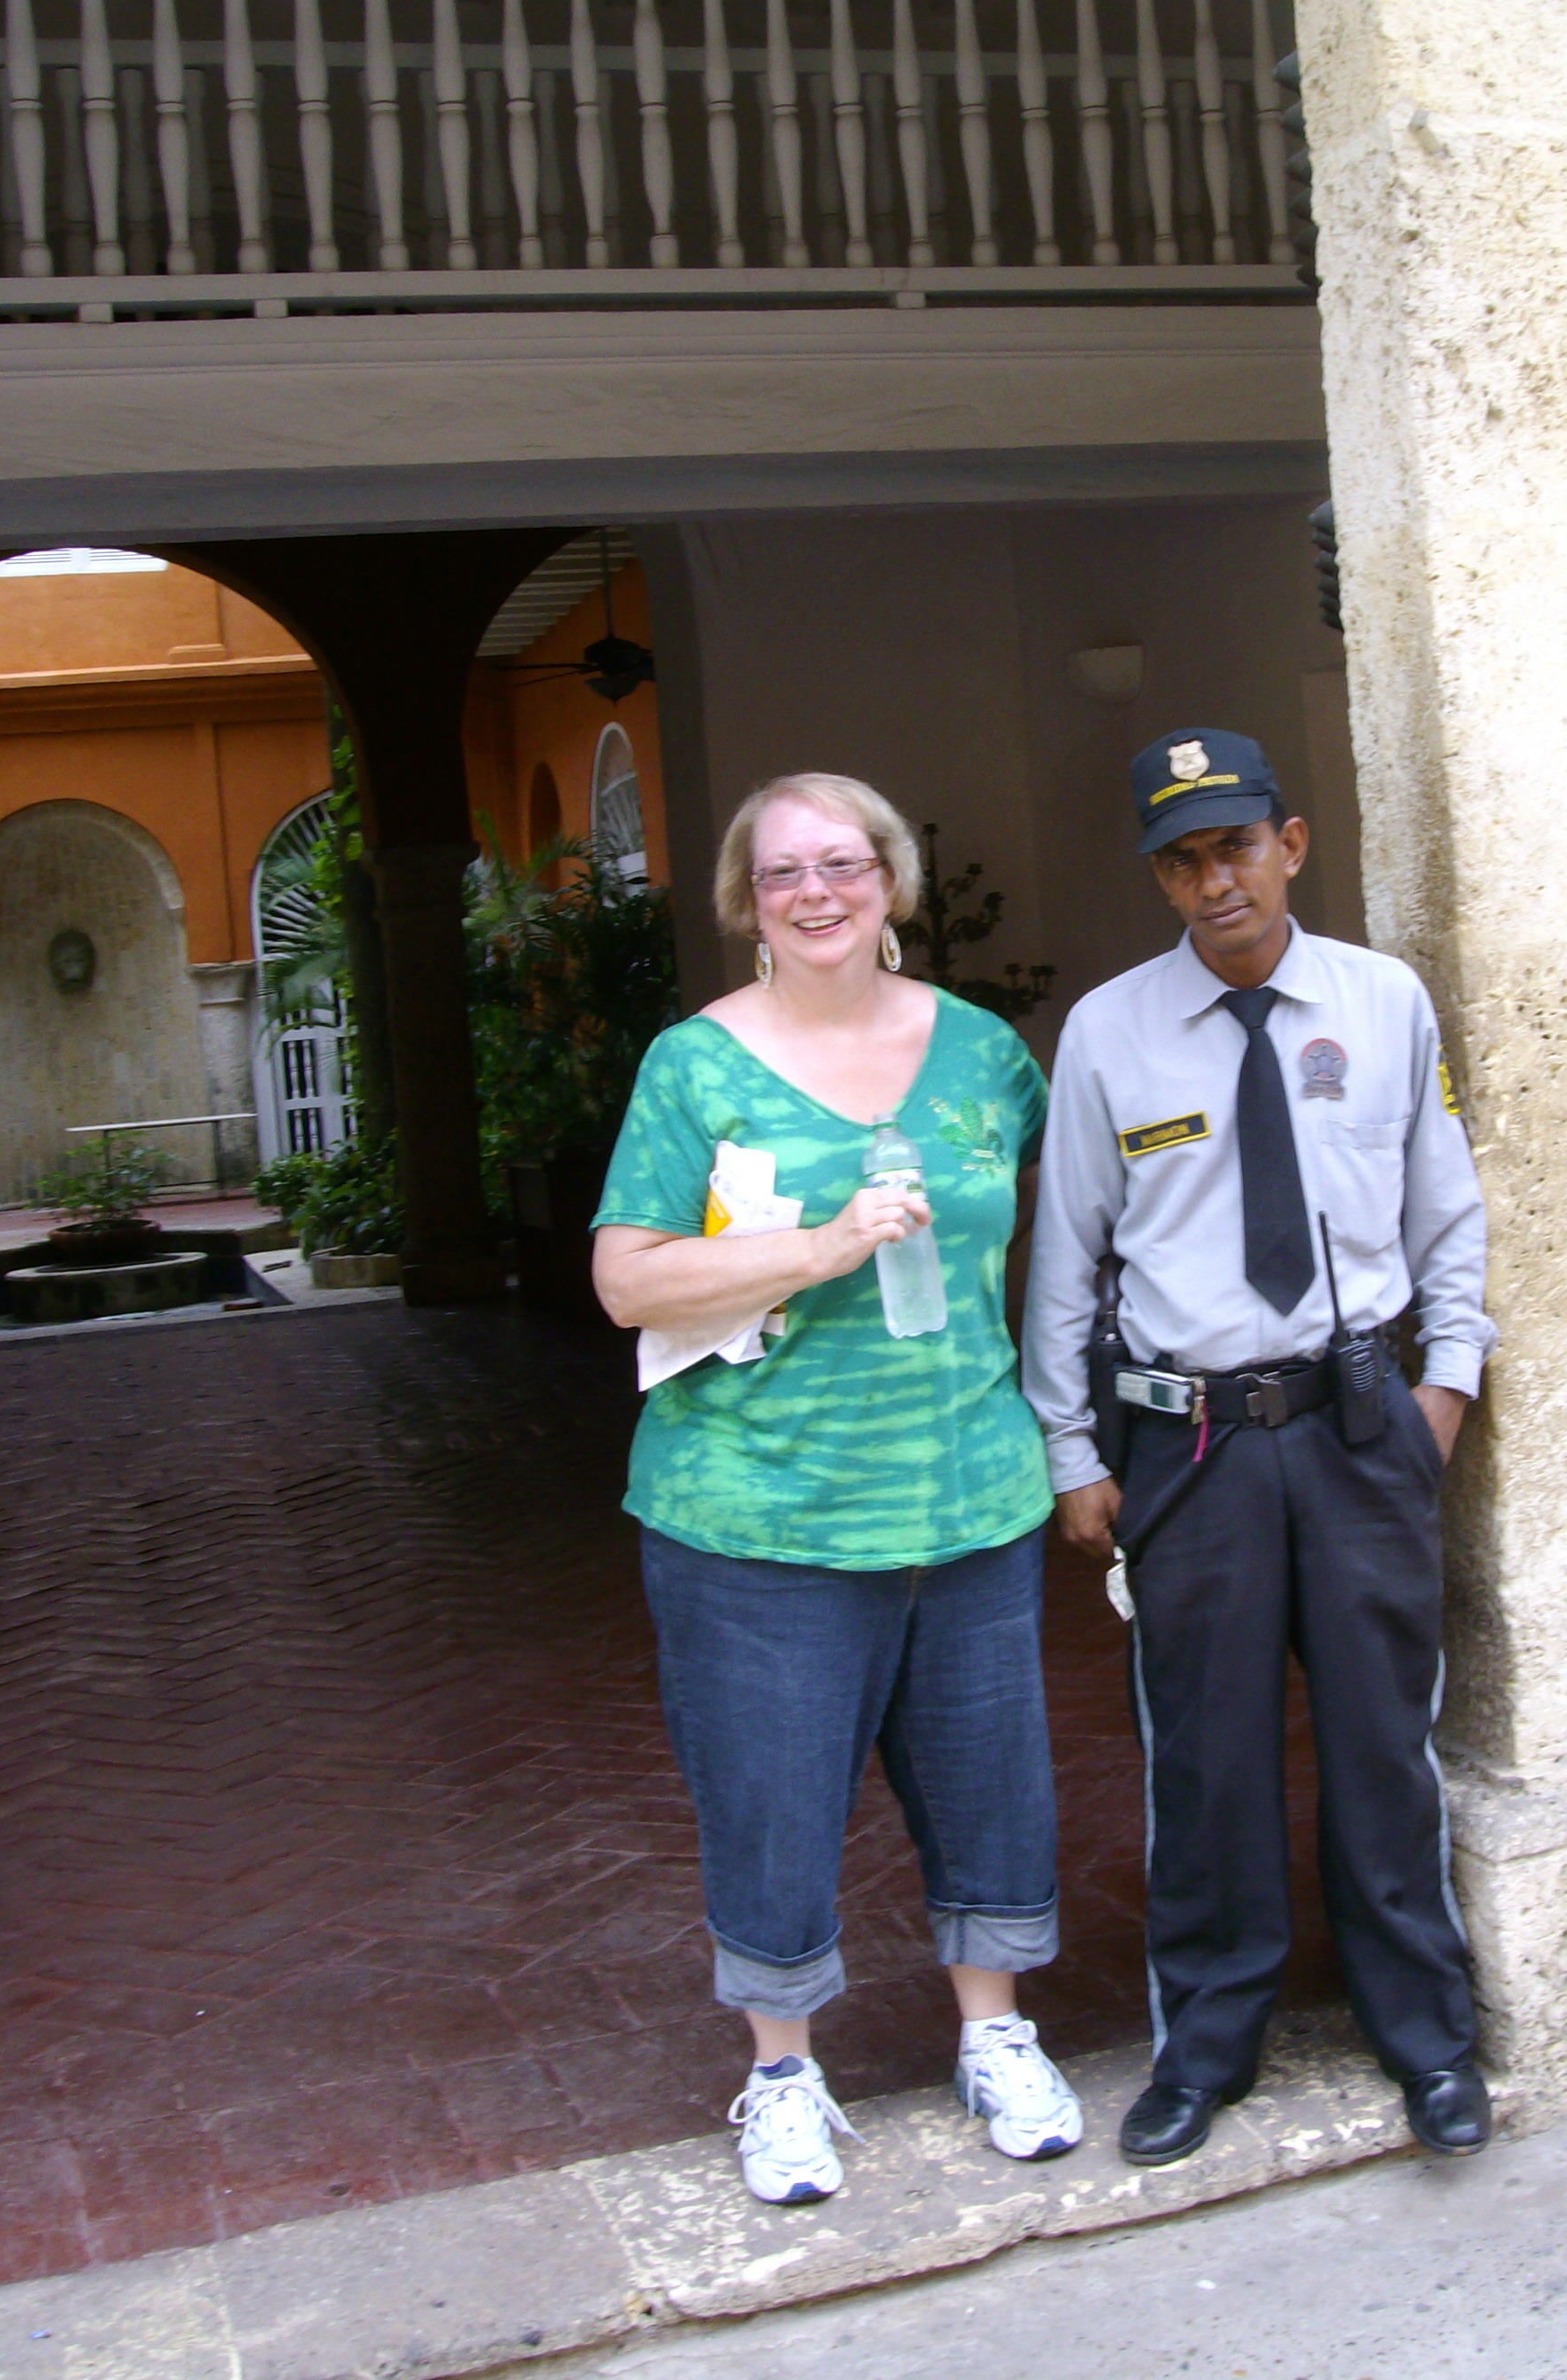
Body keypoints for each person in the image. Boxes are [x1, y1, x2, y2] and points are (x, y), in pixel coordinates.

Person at [592, 772, 1081, 2206]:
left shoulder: (987, 1054)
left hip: (969, 1495)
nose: (820, 890)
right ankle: (783, 2075)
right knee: (772, 1798)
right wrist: (816, 1247)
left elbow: (1033, 1233)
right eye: (788, 870)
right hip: (760, 1512)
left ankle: (996, 2041)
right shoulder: (694, 1068)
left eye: (847, 863)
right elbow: (627, 1280)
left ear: (892, 882)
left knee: (993, 1789)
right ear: (751, 900)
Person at [1022, 727, 1496, 2168]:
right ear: (1160, 876)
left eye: (1234, 846)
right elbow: (1067, 1255)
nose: (1212, 880)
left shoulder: (1383, 1001)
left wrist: (1447, 1393)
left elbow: (1445, 1210)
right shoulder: (1109, 1029)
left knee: (1382, 1750)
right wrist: (1070, 1450)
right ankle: (1207, 2051)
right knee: (1210, 1764)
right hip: (1196, 1449)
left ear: (1290, 843)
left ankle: (1427, 2042)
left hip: (1362, 1428)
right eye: (1181, 857)